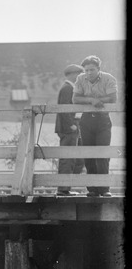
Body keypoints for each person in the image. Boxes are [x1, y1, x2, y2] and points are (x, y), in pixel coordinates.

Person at [72, 54, 117, 197]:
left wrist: (99, 101)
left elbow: (113, 98)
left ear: (98, 69)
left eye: (92, 69)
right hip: (86, 121)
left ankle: (104, 189)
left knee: (103, 154)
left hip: (103, 120)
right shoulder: (80, 79)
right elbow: (75, 99)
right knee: (88, 153)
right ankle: (92, 189)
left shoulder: (108, 78)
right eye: (86, 70)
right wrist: (91, 100)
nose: (89, 73)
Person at [55, 63, 85, 196]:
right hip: (68, 129)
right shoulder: (67, 88)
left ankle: (66, 187)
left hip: (72, 128)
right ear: (71, 75)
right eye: (78, 74)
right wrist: (71, 125)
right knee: (68, 158)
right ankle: (63, 188)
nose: (80, 77)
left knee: (76, 159)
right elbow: (64, 109)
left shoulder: (70, 88)